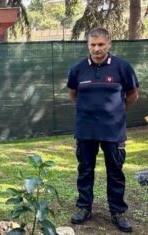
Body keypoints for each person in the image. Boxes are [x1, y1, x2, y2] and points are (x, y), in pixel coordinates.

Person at [67, 27, 139, 233]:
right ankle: (84, 207)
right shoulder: (77, 69)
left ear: (109, 44)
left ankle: (118, 212)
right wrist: (87, 111)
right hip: (85, 130)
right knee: (85, 171)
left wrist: (116, 113)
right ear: (87, 45)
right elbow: (73, 94)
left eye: (101, 44)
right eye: (93, 44)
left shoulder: (123, 67)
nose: (97, 49)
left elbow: (132, 94)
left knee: (115, 172)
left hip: (113, 131)